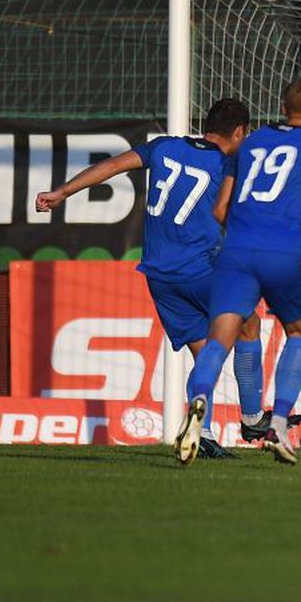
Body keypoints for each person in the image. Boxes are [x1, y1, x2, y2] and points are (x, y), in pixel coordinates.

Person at [36, 99, 270, 459]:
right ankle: (253, 418)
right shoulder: (228, 164)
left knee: (204, 354)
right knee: (249, 324)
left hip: (159, 276)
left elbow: (113, 165)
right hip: (199, 270)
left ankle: (201, 433)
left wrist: (63, 191)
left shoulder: (164, 147)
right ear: (239, 132)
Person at [175, 75, 301, 466]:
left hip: (236, 251)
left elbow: (219, 211)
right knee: (298, 332)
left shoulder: (249, 144)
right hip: (283, 251)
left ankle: (199, 401)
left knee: (219, 339)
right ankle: (278, 424)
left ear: (283, 110)